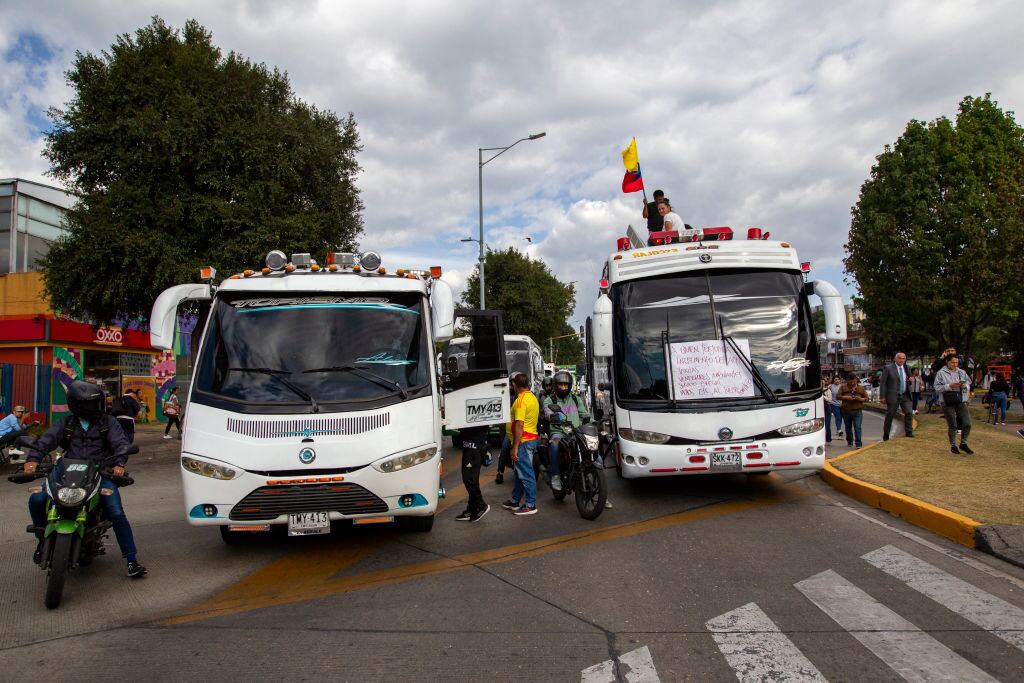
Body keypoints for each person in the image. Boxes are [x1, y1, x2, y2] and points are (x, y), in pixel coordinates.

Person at [23, 380, 147, 577]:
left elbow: (120, 444)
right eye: (92, 403)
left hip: (99, 473)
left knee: (115, 511)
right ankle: (42, 540)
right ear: (78, 404)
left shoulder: (109, 423)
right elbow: (46, 441)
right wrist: (33, 460)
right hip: (66, 473)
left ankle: (131, 560)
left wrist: (119, 464)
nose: (98, 406)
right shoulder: (66, 423)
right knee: (37, 499)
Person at [542, 370, 590, 492]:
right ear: (555, 385)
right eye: (560, 385)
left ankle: (597, 484)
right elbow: (547, 412)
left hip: (575, 432)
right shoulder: (550, 400)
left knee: (591, 448)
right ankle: (556, 476)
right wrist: (553, 416)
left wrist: (593, 421)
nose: (563, 387)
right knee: (554, 445)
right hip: (559, 432)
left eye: (566, 385)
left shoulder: (575, 398)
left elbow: (584, 414)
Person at [501, 372, 540, 516]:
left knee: (526, 473)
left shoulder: (521, 401)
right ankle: (515, 500)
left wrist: (515, 446)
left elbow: (519, 424)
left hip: (523, 441)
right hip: (529, 439)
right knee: (520, 472)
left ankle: (530, 504)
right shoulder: (532, 398)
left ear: (514, 385)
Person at [934, 355, 973, 455]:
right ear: (947, 362)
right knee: (952, 424)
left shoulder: (961, 372)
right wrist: (949, 386)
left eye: (956, 363)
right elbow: (937, 387)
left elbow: (969, 384)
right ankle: (953, 445)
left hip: (960, 399)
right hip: (947, 401)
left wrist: (965, 386)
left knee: (967, 423)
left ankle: (963, 443)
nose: (955, 365)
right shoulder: (941, 373)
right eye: (953, 362)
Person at [454, 425, 491, 523]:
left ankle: (481, 505)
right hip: (468, 445)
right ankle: (472, 508)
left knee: (469, 479)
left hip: (475, 446)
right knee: (469, 477)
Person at [879, 352, 914, 440]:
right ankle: (886, 434)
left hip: (905, 394)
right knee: (890, 415)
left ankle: (909, 432)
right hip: (893, 395)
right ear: (895, 359)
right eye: (900, 358)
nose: (901, 360)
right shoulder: (888, 368)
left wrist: (910, 381)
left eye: (903, 358)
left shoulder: (907, 368)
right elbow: (883, 383)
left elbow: (908, 381)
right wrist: (882, 396)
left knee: (909, 412)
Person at [838, 374, 867, 448]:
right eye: (851, 382)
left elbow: (867, 398)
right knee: (848, 427)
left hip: (857, 410)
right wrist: (846, 397)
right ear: (848, 381)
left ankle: (858, 443)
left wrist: (860, 399)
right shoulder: (843, 387)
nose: (853, 383)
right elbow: (838, 396)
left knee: (857, 427)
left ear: (856, 380)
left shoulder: (861, 388)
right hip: (846, 410)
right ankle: (850, 441)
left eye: (854, 381)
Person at [821, 378, 833, 444]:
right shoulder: (816, 391)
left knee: (827, 425)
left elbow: (830, 400)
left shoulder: (828, 390)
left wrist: (823, 396)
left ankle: (828, 439)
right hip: (819, 409)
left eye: (823, 382)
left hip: (827, 409)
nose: (822, 384)